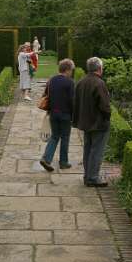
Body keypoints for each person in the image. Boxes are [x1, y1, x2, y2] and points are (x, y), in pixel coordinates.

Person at [72, 57, 111, 187]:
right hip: (98, 123)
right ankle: (93, 177)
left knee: (88, 149)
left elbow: (76, 102)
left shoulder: (81, 81)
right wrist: (107, 117)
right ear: (99, 69)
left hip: (85, 121)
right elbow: (105, 106)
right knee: (97, 151)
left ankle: (88, 175)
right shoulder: (99, 83)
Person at [39, 59, 75, 172]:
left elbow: (46, 95)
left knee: (54, 136)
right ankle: (63, 162)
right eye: (71, 70)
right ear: (68, 70)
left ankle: (46, 158)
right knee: (65, 137)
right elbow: (72, 101)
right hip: (65, 115)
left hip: (53, 113)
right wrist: (74, 116)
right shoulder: (69, 82)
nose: (72, 72)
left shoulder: (51, 80)